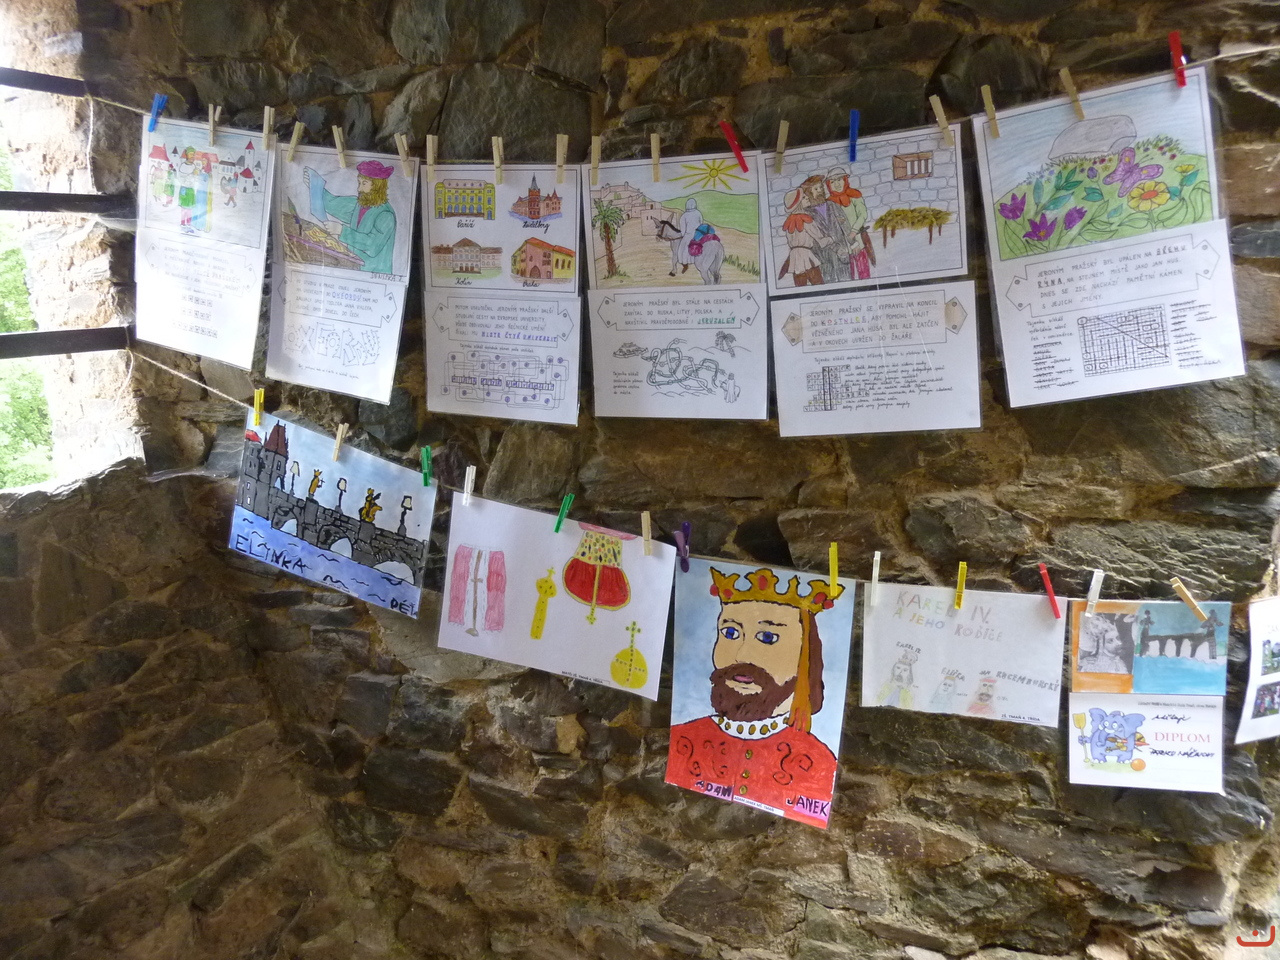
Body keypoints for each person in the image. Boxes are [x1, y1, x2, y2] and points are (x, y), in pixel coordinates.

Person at [667, 567, 842, 828]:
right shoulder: (683, 738)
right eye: (730, 633)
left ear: (805, 653)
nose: (741, 654)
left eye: (768, 637)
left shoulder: (819, 762)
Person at [303, 159, 398, 274]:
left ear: (377, 187)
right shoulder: (359, 204)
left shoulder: (385, 215)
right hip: (354, 269)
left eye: (364, 184)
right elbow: (333, 204)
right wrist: (315, 186)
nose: (359, 189)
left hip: (374, 274)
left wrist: (341, 231)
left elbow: (372, 246)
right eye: (359, 183)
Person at [799, 174, 852, 284]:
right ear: (808, 193)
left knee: (847, 282)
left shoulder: (832, 205)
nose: (820, 191)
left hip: (842, 255)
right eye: (816, 189)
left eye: (821, 187)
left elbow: (845, 225)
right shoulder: (806, 214)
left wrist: (852, 243)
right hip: (824, 258)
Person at [824, 166, 874, 280]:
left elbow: (862, 215)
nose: (837, 184)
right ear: (828, 185)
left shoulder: (854, 195)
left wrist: (853, 232)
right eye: (832, 182)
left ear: (845, 180)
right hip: (842, 245)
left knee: (863, 271)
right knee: (848, 274)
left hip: (858, 240)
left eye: (839, 180)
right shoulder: (829, 203)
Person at [778, 187, 825, 286]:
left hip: (794, 259)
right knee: (818, 284)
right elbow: (821, 239)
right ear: (797, 204)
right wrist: (833, 239)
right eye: (803, 197)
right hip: (807, 258)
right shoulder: (806, 220)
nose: (807, 197)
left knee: (800, 286)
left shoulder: (789, 221)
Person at [673, 197, 704, 275]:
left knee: (682, 250)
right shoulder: (698, 213)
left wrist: (684, 235)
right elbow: (701, 223)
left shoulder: (684, 215)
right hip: (698, 234)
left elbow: (683, 228)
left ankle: (685, 265)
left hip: (688, 235)